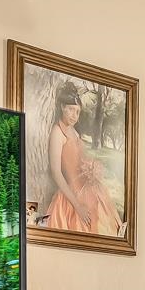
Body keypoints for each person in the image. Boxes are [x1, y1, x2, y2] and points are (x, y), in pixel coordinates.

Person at [42, 82, 121, 236]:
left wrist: (91, 171)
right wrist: (77, 206)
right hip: (71, 194)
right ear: (62, 107)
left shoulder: (74, 132)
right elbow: (56, 172)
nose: (74, 115)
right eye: (71, 109)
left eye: (77, 112)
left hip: (87, 188)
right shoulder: (58, 132)